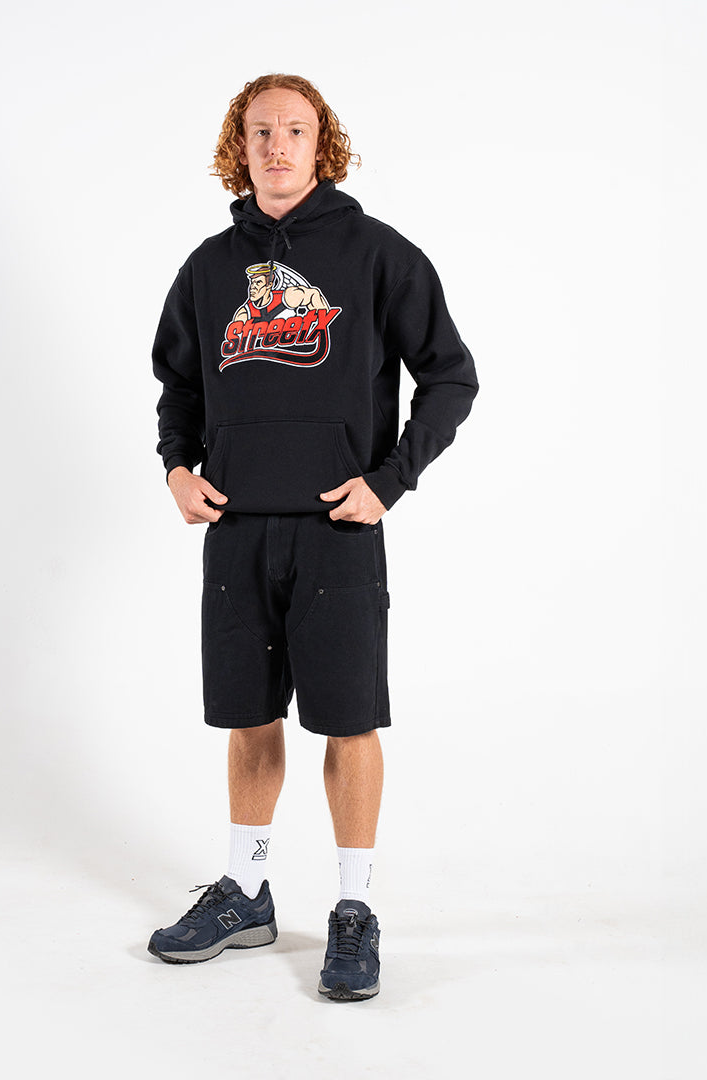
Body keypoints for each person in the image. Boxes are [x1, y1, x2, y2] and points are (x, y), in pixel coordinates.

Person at [148, 73, 478, 1001]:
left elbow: (450, 377)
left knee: (349, 720)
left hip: (339, 527)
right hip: (236, 529)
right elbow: (178, 383)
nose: (278, 146)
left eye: (295, 130)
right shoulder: (210, 268)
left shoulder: (377, 254)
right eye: (261, 131)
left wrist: (390, 480)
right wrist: (176, 467)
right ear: (239, 146)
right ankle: (246, 892)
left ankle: (354, 907)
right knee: (248, 717)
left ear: (322, 144)